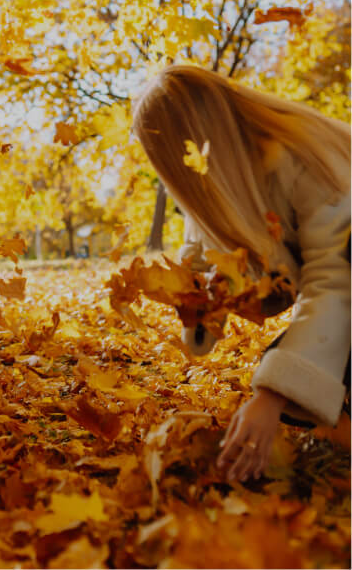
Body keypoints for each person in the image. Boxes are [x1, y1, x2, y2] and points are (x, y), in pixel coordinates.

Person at [132, 64, 350, 482]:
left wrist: (271, 397)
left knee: (291, 381)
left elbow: (337, 281)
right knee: (293, 379)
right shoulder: (227, 181)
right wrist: (203, 307)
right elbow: (219, 260)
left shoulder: (304, 157)